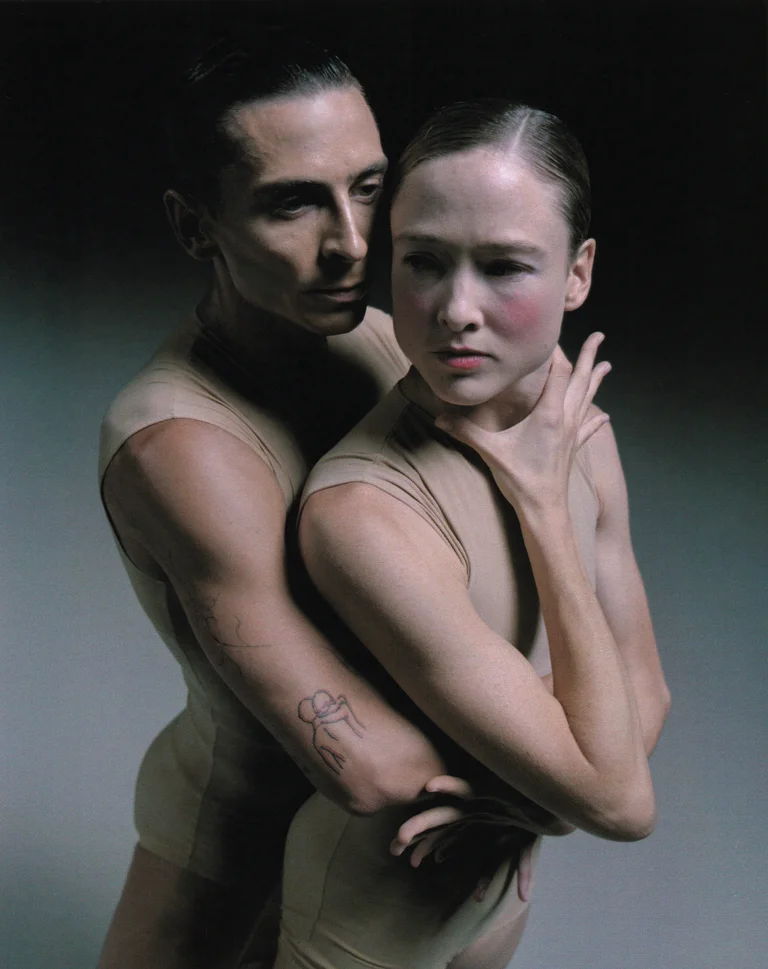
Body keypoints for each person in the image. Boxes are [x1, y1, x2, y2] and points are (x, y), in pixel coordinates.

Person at [96, 38, 555, 969]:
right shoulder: (181, 449)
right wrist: (568, 787)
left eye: (369, 188)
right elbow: (363, 761)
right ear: (195, 226)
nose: (351, 242)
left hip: (425, 855)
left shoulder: (391, 342)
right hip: (236, 863)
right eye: (293, 203)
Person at [276, 98, 672, 969]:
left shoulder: (567, 417)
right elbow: (620, 800)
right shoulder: (362, 513)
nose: (456, 308)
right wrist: (544, 511)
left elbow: (646, 689)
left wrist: (538, 804)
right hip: (370, 910)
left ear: (577, 273)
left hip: (496, 875)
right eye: (423, 261)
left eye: (503, 267)